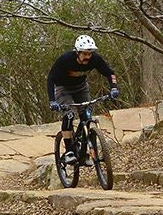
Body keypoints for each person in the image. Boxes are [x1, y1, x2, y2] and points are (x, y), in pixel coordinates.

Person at [47, 35, 119, 164]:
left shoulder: (95, 59)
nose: (88, 57)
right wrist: (52, 100)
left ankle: (84, 153)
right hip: (63, 89)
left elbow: (110, 72)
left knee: (86, 116)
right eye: (85, 54)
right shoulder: (65, 59)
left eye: (90, 53)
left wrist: (114, 88)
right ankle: (69, 151)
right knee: (68, 115)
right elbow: (51, 78)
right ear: (77, 52)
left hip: (81, 88)